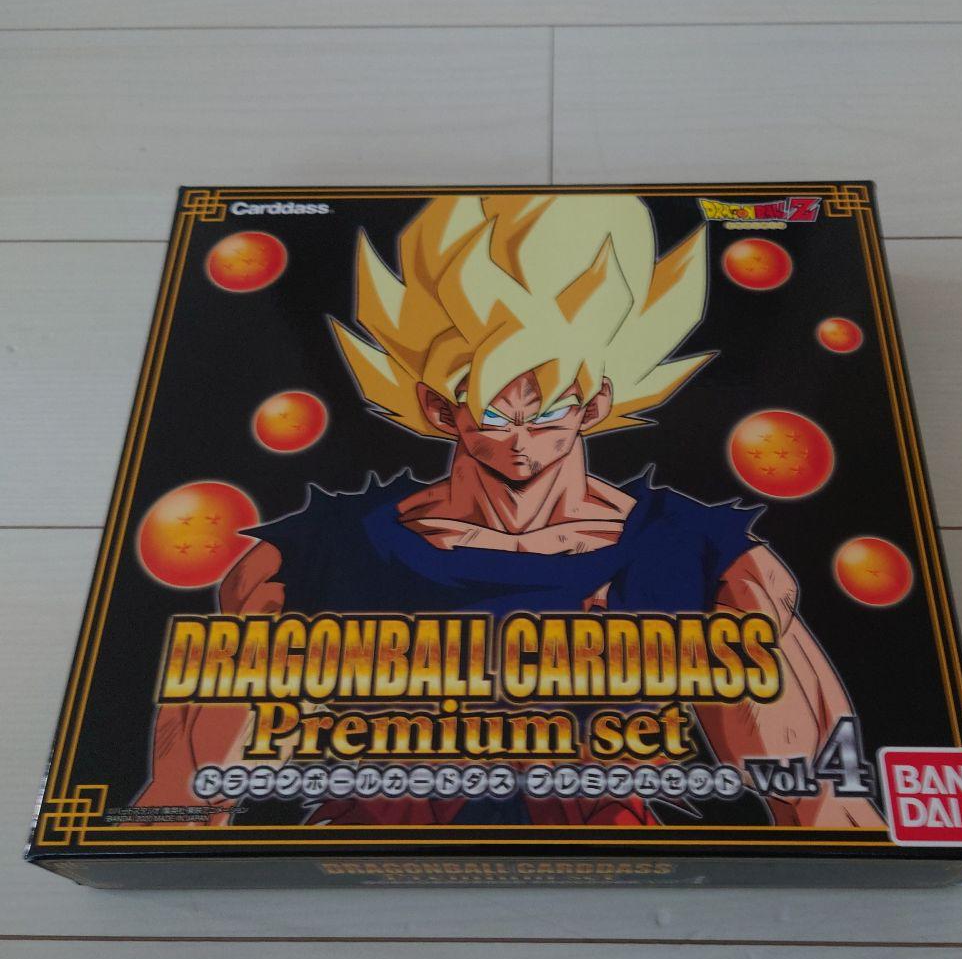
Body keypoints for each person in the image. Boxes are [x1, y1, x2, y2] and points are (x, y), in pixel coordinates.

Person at [135, 194, 882, 830]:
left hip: (605, 843)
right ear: (440, 408)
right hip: (384, 841)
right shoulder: (317, 553)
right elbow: (182, 800)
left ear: (595, 402)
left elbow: (827, 808)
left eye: (549, 407)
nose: (521, 437)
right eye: (492, 410)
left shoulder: (704, 558)